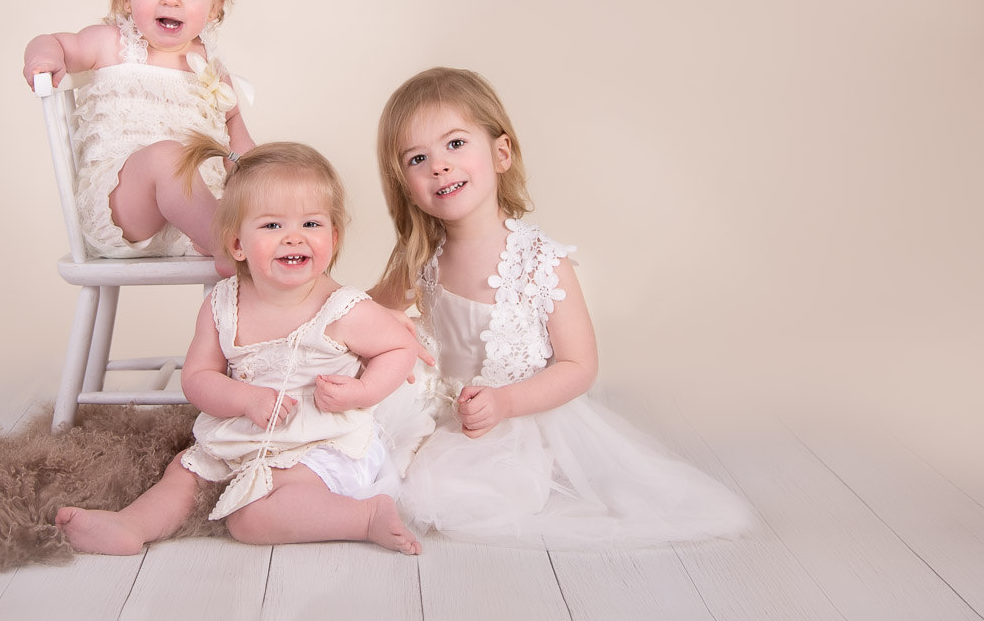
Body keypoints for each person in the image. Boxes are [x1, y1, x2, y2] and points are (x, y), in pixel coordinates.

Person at [373, 67, 752, 549]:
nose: (439, 167)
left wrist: (505, 403)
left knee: (446, 493)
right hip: (438, 412)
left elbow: (579, 366)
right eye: (417, 158)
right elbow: (363, 313)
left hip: (517, 418)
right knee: (367, 462)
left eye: (455, 144)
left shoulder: (542, 263)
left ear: (501, 152)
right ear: (405, 182)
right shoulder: (419, 259)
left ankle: (538, 472)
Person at [56, 140, 423, 555]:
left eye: (311, 224)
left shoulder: (342, 308)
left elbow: (398, 348)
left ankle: (365, 516)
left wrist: (362, 392)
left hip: (323, 441)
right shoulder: (222, 305)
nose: (293, 238)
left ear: (333, 237)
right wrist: (244, 398)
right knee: (184, 472)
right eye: (271, 226)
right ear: (237, 245)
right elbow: (197, 378)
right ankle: (132, 524)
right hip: (246, 431)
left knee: (251, 517)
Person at [22, 0, 254, 270]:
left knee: (277, 181)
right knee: (168, 157)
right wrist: (45, 54)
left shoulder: (210, 69)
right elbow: (55, 42)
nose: (171, 0)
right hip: (124, 213)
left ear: (215, 7)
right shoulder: (110, 44)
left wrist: (257, 179)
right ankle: (229, 247)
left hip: (193, 222)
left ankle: (231, 242)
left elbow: (239, 148)